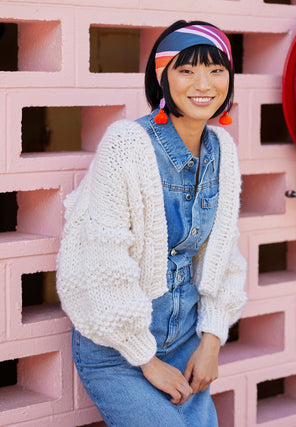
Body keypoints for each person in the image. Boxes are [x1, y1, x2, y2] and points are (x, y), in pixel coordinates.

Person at [57, 19, 247, 427]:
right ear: (162, 77)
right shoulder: (126, 145)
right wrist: (144, 358)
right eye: (186, 69)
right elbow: (101, 262)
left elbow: (224, 252)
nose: (204, 83)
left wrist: (211, 340)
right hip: (118, 350)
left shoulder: (223, 151)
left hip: (186, 345)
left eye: (217, 70)